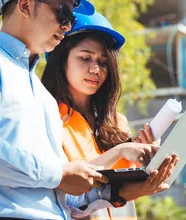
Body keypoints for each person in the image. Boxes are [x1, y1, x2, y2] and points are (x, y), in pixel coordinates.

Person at [0, 0, 176, 220]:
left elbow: (62, 194)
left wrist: (124, 192)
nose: (66, 26)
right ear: (26, 5)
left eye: (72, 19)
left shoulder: (41, 96)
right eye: (63, 13)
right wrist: (60, 174)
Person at [41, 12, 178, 220]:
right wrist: (120, 151)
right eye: (85, 58)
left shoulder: (116, 122)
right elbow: (67, 193)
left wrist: (148, 161)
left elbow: (125, 196)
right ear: (62, 60)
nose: (96, 69)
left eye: (103, 62)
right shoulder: (46, 116)